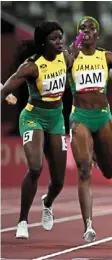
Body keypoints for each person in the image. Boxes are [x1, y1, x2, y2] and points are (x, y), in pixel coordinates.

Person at [1, 21, 74, 239]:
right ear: (43, 43)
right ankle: (22, 221)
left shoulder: (66, 58)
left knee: (59, 181)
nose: (59, 42)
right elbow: (7, 86)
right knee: (35, 168)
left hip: (56, 120)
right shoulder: (31, 66)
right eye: (54, 39)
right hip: (33, 117)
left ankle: (47, 202)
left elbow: (75, 54)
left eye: (61, 37)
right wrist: (6, 94)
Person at [68, 16, 112, 242]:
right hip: (80, 117)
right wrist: (71, 51)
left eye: (91, 28)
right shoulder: (71, 56)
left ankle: (97, 151)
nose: (86, 30)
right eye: (82, 28)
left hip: (103, 117)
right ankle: (88, 225)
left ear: (97, 34)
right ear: (78, 33)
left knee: (108, 171)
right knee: (84, 170)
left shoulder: (105, 56)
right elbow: (57, 74)